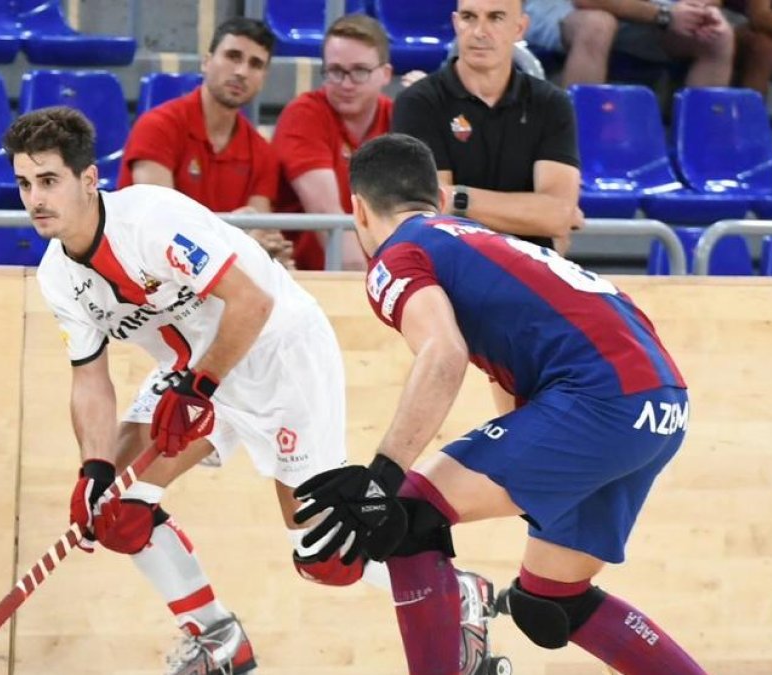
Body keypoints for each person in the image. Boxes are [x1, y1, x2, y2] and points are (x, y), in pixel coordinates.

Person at [293, 133, 704, 675]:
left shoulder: (399, 254)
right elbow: (516, 377)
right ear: (439, 199)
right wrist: (522, 459)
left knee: (407, 516)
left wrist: (383, 475)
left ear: (358, 211)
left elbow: (444, 354)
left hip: (598, 401)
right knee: (551, 601)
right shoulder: (481, 241)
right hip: (661, 406)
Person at [5, 105, 373, 675]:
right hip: (196, 372)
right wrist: (94, 467)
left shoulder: (150, 220)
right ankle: (217, 640)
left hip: (277, 351)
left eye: (49, 180)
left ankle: (446, 584)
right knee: (117, 510)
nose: (35, 199)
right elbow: (89, 378)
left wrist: (199, 385)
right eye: (25, 183)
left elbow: (252, 303)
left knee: (322, 552)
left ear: (88, 178)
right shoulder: (59, 276)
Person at [393, 0, 584, 258]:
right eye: (469, 17)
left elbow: (557, 214)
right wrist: (530, 213)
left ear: (520, 28)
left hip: (533, 275)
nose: (480, 31)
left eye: (495, 18)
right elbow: (430, 210)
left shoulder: (551, 103)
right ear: (455, 23)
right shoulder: (418, 102)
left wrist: (458, 197)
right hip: (450, 270)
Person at [118, 17, 293, 267]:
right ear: (207, 62)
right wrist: (236, 234)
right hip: (146, 277)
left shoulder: (262, 152)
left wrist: (266, 248)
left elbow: (257, 231)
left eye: (255, 64)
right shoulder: (157, 127)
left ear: (263, 78)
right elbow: (160, 226)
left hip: (221, 280)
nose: (241, 71)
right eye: (233, 56)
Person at [271, 13, 394, 270]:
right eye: (336, 71)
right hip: (310, 280)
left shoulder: (398, 117)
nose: (346, 84)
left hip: (382, 278)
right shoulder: (304, 115)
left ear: (385, 74)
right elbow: (330, 220)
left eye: (359, 71)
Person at [524, 0, 733, 88]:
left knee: (716, 36)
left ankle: (702, 156)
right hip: (564, 8)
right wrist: (664, 15)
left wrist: (702, 11)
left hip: (644, 13)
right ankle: (571, 149)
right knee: (597, 26)